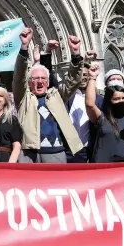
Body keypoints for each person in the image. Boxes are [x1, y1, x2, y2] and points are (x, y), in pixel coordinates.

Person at [12, 27, 85, 164]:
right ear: (29, 82)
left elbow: (73, 81)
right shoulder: (23, 98)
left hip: (56, 153)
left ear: (48, 81)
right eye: (35, 79)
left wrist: (75, 54)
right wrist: (24, 47)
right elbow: (18, 77)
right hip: (29, 154)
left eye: (43, 78)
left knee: (57, 186)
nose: (39, 81)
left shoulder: (56, 95)